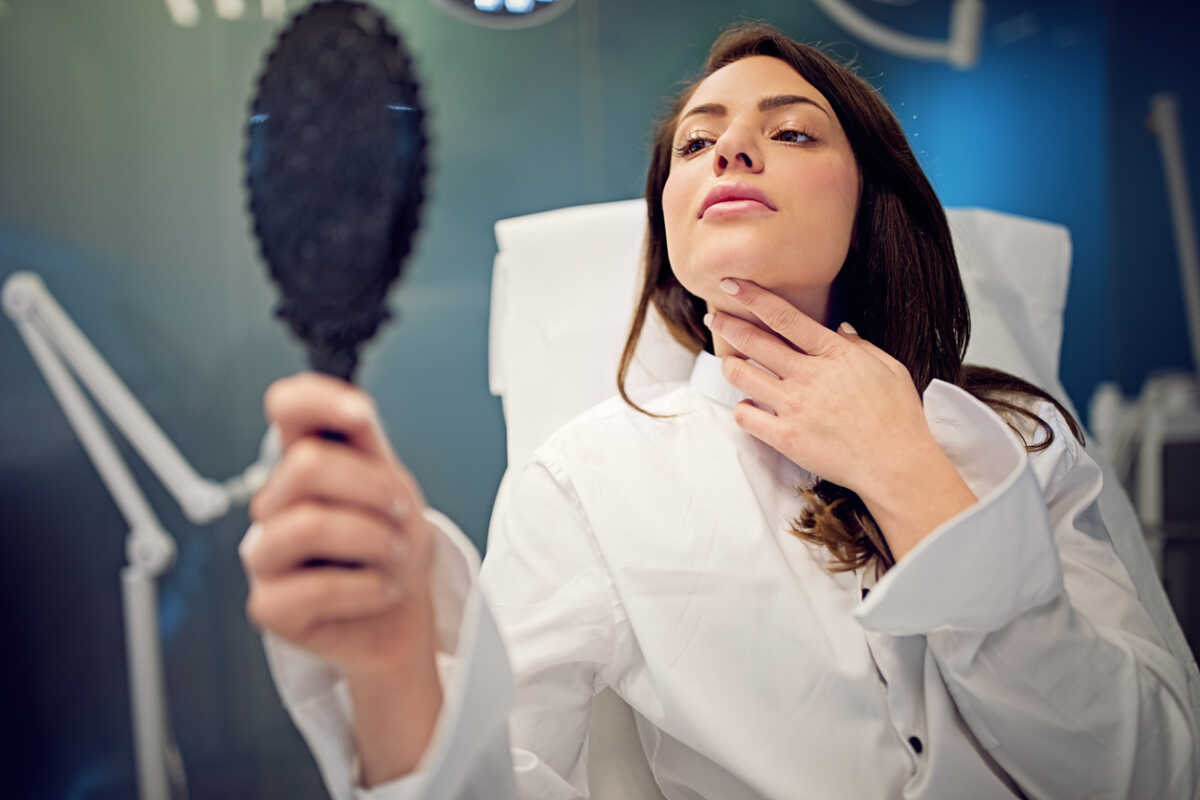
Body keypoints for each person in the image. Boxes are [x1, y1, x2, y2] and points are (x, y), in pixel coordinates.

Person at [239, 22, 1198, 799]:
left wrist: (907, 471)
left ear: (871, 204)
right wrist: (398, 673)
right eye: (696, 145)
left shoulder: (1020, 442)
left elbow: (1153, 773)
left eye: (792, 133)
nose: (730, 149)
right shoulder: (587, 481)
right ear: (670, 223)